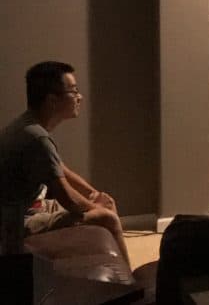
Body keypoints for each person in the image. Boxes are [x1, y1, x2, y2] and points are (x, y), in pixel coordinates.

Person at [0, 61, 131, 267]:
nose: (79, 97)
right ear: (52, 100)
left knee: (106, 204)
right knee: (108, 218)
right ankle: (130, 284)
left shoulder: (28, 126)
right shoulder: (37, 138)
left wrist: (93, 194)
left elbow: (60, 169)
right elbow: (68, 198)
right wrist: (95, 207)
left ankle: (115, 272)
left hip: (31, 206)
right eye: (74, 91)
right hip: (16, 223)